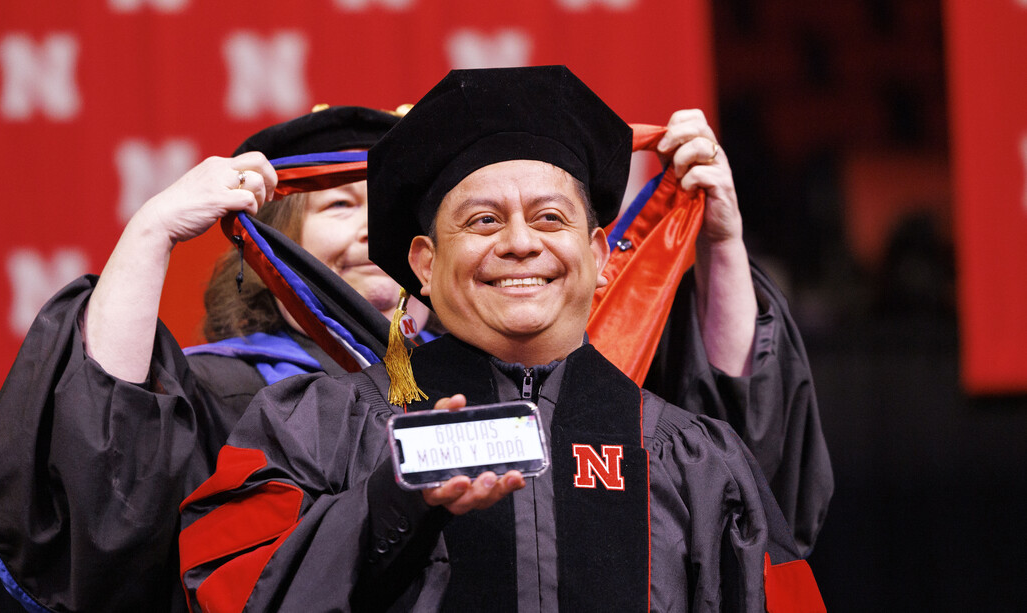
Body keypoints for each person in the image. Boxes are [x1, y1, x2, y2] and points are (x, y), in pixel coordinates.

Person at [179, 66, 821, 612]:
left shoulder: (692, 456)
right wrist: (384, 509)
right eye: (483, 220)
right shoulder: (319, 428)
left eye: (550, 217)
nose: (519, 242)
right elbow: (229, 589)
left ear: (599, 254)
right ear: (424, 264)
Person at [0, 106, 425, 613]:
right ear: (274, 245)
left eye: (392, 208)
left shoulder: (494, 388)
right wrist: (150, 232)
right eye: (339, 204)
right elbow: (103, 470)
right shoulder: (225, 396)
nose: (373, 230)